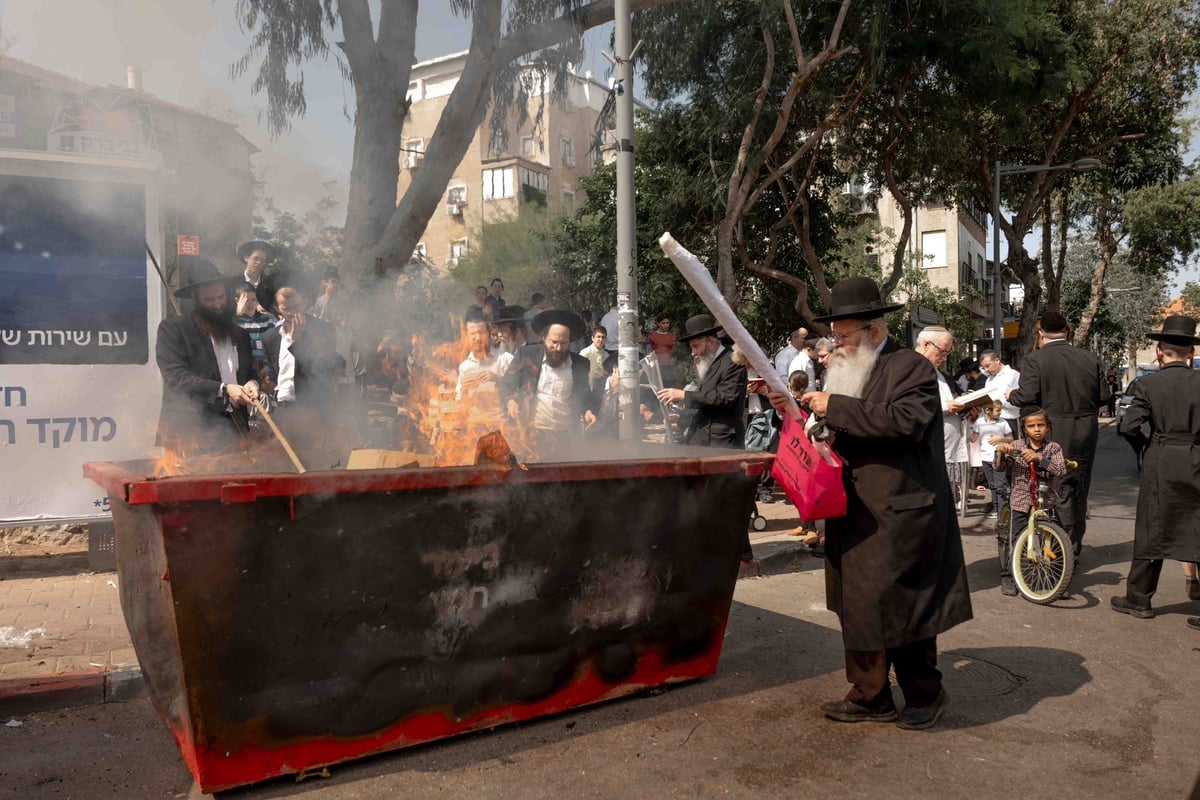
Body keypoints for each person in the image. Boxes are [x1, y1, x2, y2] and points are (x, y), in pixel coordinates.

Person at [767, 276, 971, 730]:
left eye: (843, 337)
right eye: (833, 337)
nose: (834, 346)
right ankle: (869, 694)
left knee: (904, 607)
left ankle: (925, 693)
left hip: (900, 511)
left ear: (874, 333)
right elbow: (836, 430)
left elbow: (906, 421)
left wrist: (834, 406)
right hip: (853, 507)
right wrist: (799, 416)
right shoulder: (845, 369)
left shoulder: (911, 368)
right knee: (857, 605)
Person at [1112, 315, 1200, 623]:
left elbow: (1127, 426)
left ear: (1160, 351)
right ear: (1191, 353)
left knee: (1152, 526)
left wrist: (1146, 447)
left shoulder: (1149, 385)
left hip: (1161, 459)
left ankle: (1140, 600)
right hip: (1196, 459)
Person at [1006, 311, 1104, 556]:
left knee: (1053, 489)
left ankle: (1057, 553)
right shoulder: (1090, 358)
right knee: (1078, 488)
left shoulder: (1034, 360)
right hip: (1085, 429)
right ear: (1067, 331)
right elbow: (1103, 396)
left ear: (1039, 333)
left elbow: (1026, 396)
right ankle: (1072, 548)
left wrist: (1011, 395)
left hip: (1053, 428)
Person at [155, 259, 259, 453]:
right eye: (209, 300)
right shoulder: (173, 330)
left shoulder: (240, 334)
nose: (217, 304)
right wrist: (225, 389)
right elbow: (176, 378)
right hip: (191, 430)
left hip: (234, 428)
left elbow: (250, 372)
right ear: (195, 299)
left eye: (221, 297)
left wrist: (253, 382)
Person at [995, 408, 1067, 596]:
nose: (1036, 429)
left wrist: (1040, 459)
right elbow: (1000, 467)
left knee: (1051, 539)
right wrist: (1002, 452)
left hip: (1045, 501)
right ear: (1024, 429)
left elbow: (1060, 470)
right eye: (1031, 426)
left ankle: (1056, 579)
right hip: (1020, 500)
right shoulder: (1017, 444)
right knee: (1014, 538)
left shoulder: (1053, 448)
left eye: (1040, 425)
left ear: (1048, 427)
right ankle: (1008, 576)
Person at [499, 309, 599, 442]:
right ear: (543, 338)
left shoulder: (580, 364)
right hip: (532, 435)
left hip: (565, 436)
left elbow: (584, 396)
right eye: (554, 342)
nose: (558, 348)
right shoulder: (526, 355)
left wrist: (588, 411)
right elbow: (506, 384)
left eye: (563, 343)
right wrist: (510, 401)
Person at [656, 314, 747, 449]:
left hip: (722, 441)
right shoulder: (709, 362)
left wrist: (684, 395)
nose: (693, 353)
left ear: (712, 343)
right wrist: (682, 419)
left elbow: (725, 398)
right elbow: (706, 406)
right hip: (700, 438)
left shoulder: (732, 362)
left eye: (696, 346)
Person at [259, 271, 344, 414]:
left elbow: (321, 371)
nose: (292, 313)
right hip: (281, 409)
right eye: (286, 309)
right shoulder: (269, 337)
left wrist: (296, 341)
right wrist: (266, 379)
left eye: (297, 306)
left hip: (313, 409)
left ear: (305, 302)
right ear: (276, 308)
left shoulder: (323, 330)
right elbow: (270, 370)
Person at [917, 326, 968, 513]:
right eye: (942, 351)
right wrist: (947, 406)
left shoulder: (939, 373)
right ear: (925, 344)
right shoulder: (912, 368)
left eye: (948, 353)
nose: (945, 357)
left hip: (945, 444)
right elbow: (914, 407)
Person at [972, 401, 1013, 521]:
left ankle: (1002, 511)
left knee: (1001, 485)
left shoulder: (1003, 422)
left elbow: (1011, 438)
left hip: (999, 457)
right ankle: (996, 509)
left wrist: (1001, 438)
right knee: (992, 485)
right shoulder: (979, 422)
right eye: (997, 410)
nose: (1000, 413)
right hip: (985, 457)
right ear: (987, 411)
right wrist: (965, 427)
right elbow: (974, 438)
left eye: (1000, 410)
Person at [233, 281, 274, 371]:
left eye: (253, 300)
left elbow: (271, 343)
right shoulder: (235, 321)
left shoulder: (265, 320)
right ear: (237, 301)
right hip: (243, 366)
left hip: (264, 366)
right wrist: (239, 315)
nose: (250, 304)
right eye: (246, 300)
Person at [978, 350, 1020, 434]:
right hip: (991, 422)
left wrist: (998, 401)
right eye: (983, 368)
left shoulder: (1013, 375)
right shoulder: (989, 380)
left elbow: (1019, 402)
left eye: (988, 366)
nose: (986, 370)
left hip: (1009, 420)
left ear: (997, 360)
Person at [579, 326, 616, 394]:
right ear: (593, 338)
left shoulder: (606, 355)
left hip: (601, 389)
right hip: (587, 388)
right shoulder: (585, 353)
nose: (601, 339)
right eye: (598, 337)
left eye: (603, 337)